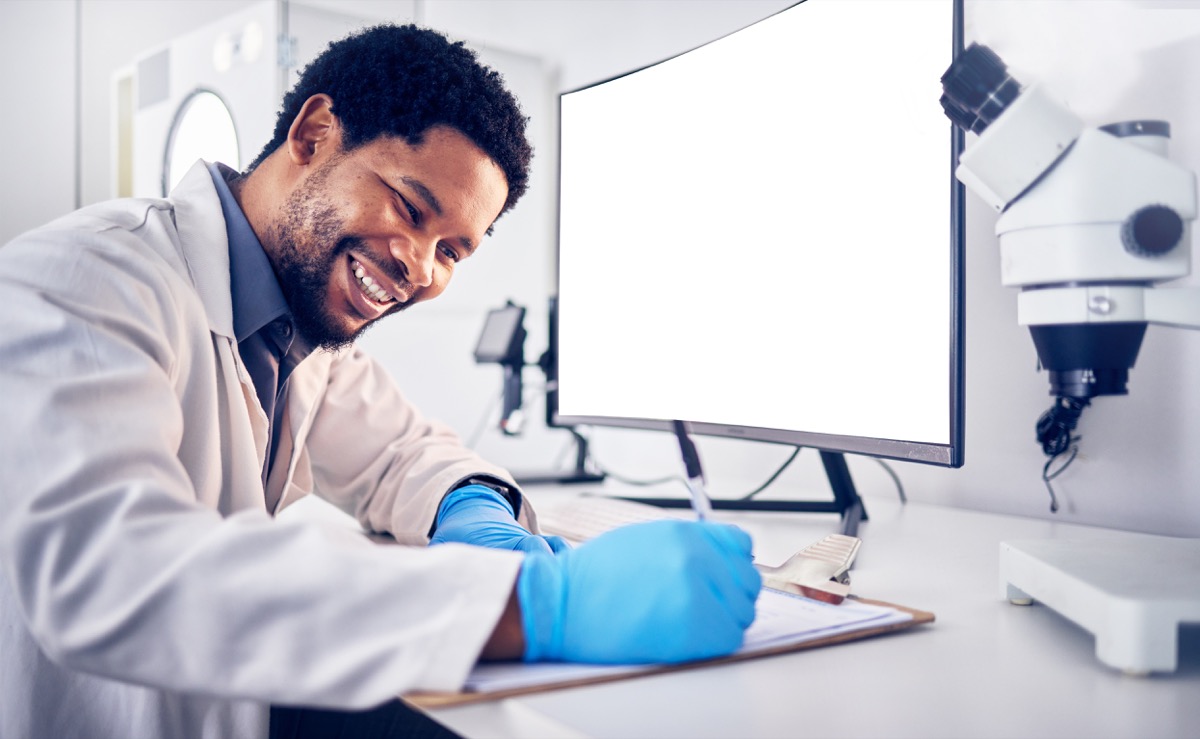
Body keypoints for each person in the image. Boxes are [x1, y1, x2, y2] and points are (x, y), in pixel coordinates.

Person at [0, 23, 761, 739]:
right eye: (409, 206)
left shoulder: (293, 331)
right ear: (315, 133)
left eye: (453, 251)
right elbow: (111, 574)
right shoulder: (88, 280)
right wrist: (534, 608)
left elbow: (402, 453)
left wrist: (473, 509)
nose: (421, 269)